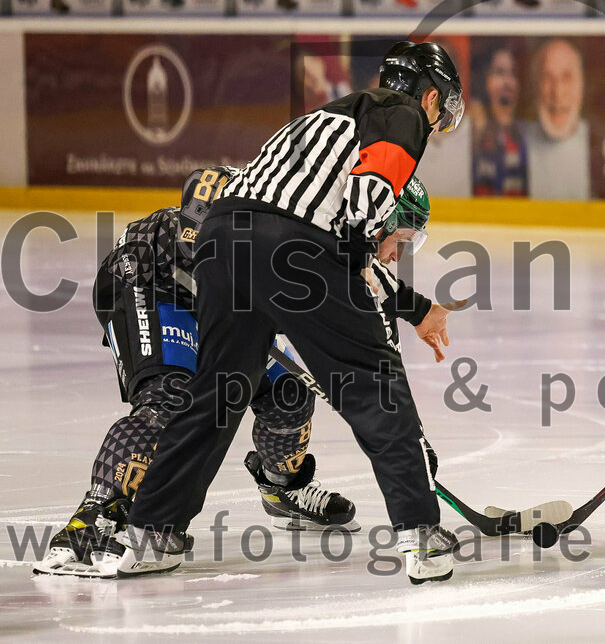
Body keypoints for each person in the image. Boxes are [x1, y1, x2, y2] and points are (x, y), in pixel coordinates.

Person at [92, 41, 466, 584]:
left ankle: (152, 533)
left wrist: (416, 307)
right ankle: (421, 534)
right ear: (430, 97)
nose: (436, 124)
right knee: (373, 386)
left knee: (217, 393)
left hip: (222, 243)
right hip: (291, 247)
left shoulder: (324, 118)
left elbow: (297, 203)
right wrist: (354, 274)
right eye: (442, 112)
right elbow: (367, 200)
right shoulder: (402, 112)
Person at [34, 166, 357, 578]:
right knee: (170, 399)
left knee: (288, 392)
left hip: (225, 297)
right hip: (152, 286)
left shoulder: (287, 242)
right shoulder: (157, 247)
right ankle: (97, 513)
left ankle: (283, 487)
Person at [523, 38, 590, 200]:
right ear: (534, 86)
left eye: (567, 78)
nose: (557, 93)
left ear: (581, 85)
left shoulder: (602, 146)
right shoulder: (515, 142)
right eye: (547, 78)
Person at [471, 45, 529, 196]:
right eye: (499, 72)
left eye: (513, 73)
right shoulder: (472, 133)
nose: (508, 82)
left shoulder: (528, 136)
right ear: (485, 81)